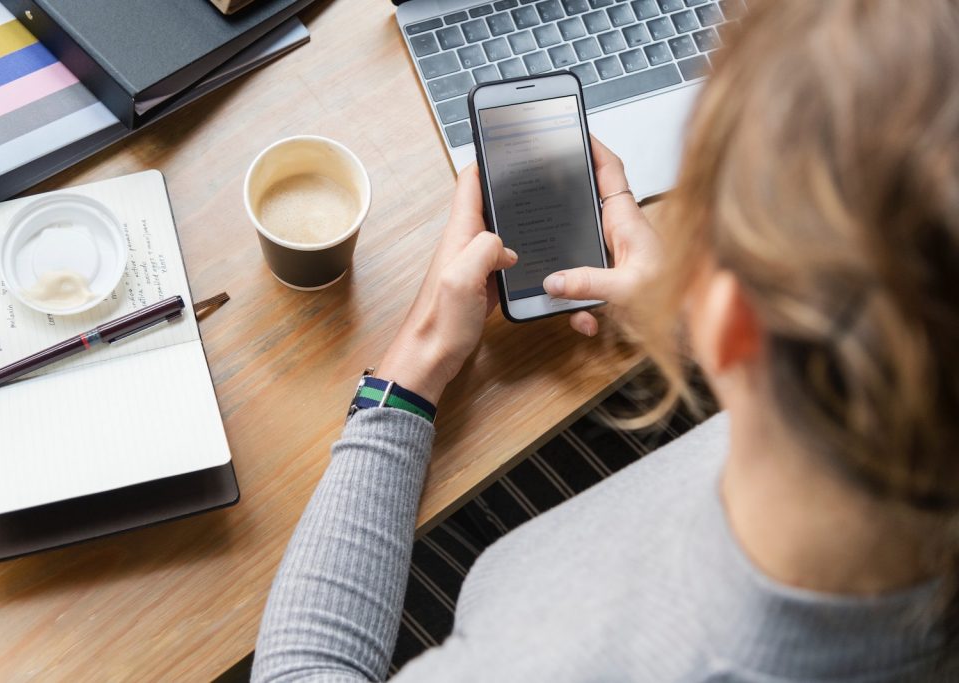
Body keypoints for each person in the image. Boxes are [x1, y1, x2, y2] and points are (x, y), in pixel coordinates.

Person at [252, 1, 959, 680]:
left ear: (734, 313)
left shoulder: (566, 661)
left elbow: (297, 672)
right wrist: (688, 321)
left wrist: (417, 362)